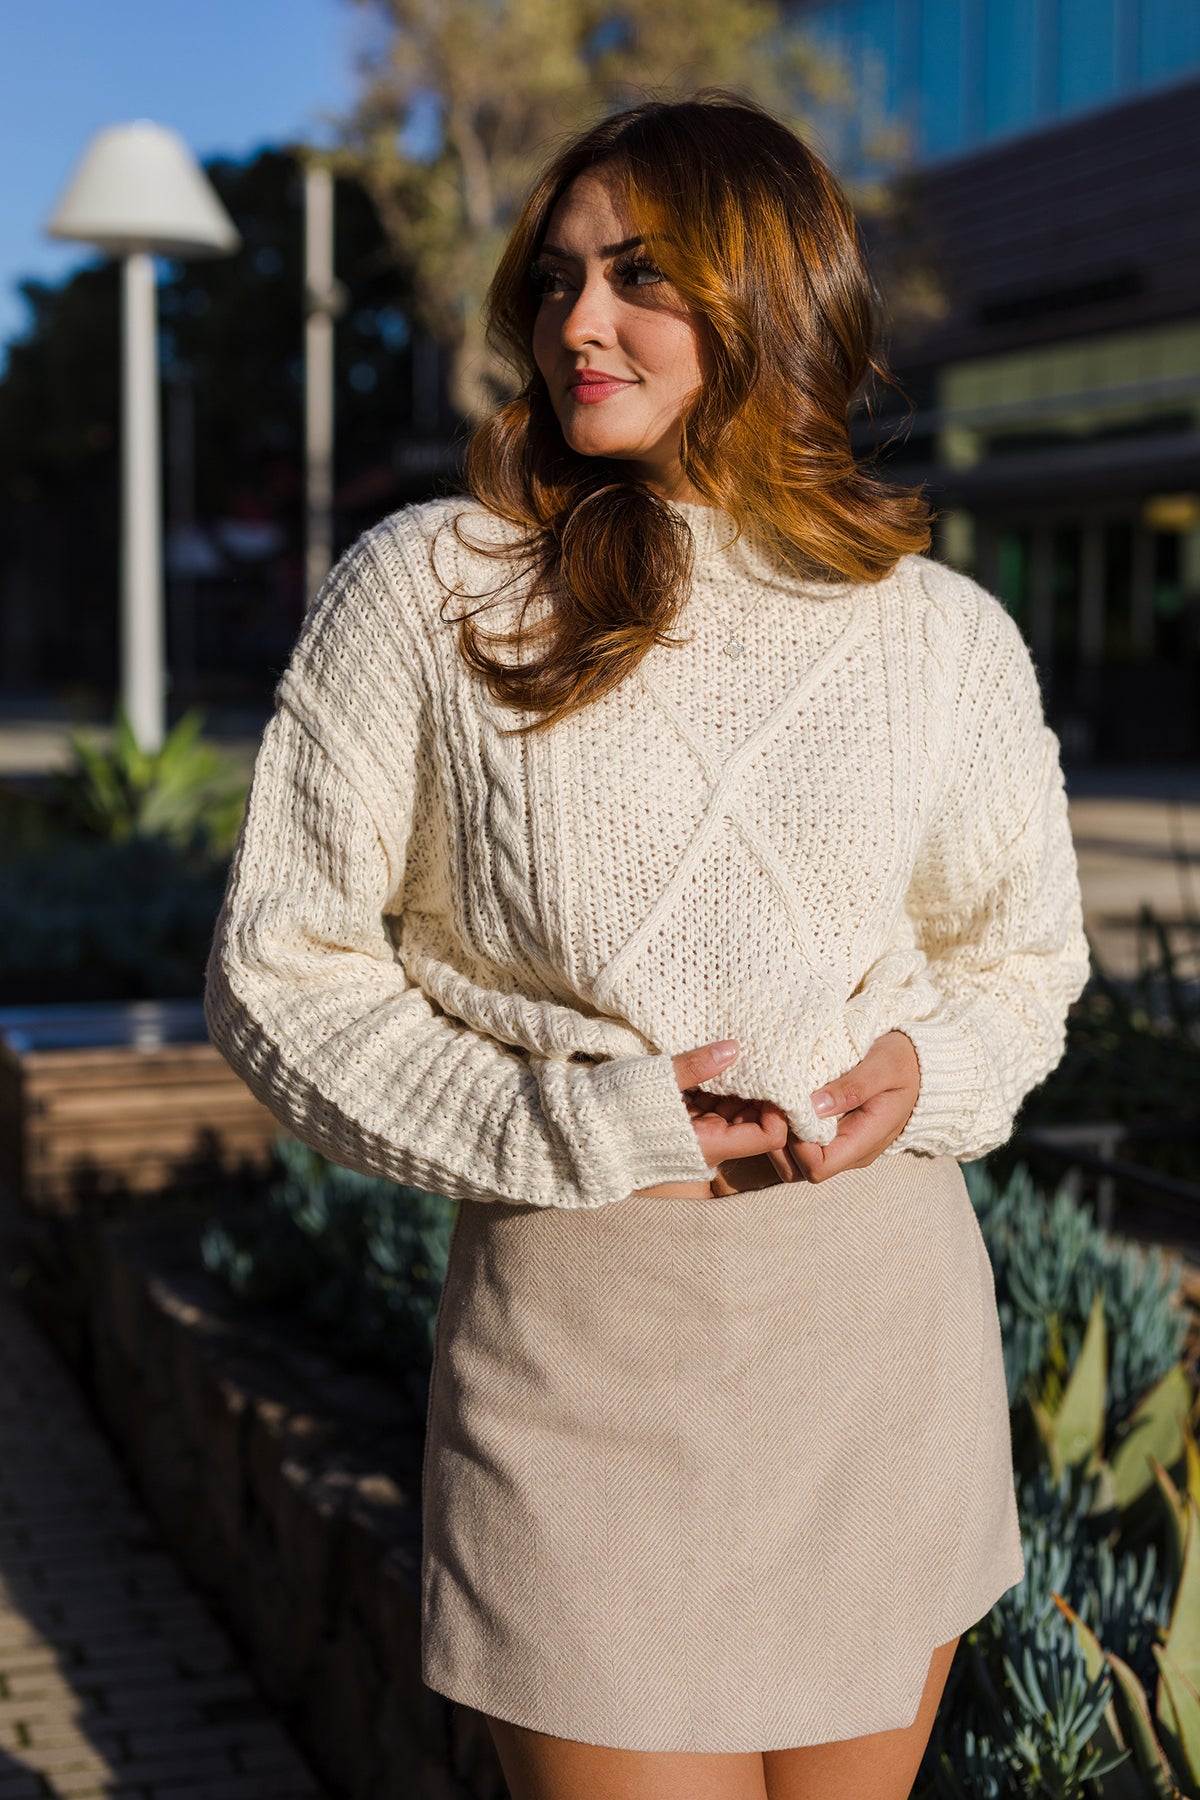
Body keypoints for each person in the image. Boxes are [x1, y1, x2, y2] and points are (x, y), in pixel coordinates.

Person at [205, 90, 1090, 1800]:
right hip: (581, 1352)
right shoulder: (433, 587)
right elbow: (281, 971)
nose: (577, 323)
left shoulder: (943, 634)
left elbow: (1022, 961)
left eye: (639, 275)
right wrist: (580, 1123)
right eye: (556, 280)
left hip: (878, 1339)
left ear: (772, 295)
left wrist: (928, 1070)